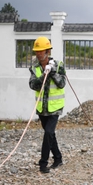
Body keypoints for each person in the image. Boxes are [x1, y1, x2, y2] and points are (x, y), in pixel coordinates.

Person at [29, 37, 66, 174]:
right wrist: (42, 76)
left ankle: (43, 163)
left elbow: (62, 83)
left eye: (41, 51)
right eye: (36, 51)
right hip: (42, 108)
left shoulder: (59, 65)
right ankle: (58, 158)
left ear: (48, 51)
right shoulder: (34, 67)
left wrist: (53, 73)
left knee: (48, 133)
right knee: (50, 135)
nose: (38, 54)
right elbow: (33, 85)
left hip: (55, 107)